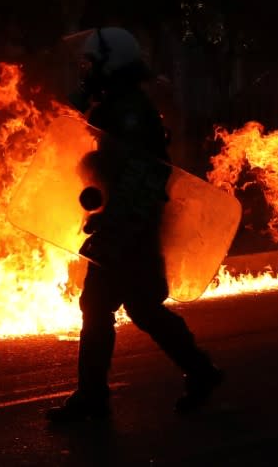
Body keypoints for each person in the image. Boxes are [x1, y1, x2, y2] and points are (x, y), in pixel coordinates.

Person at [47, 27, 223, 423]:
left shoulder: (127, 111)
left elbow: (140, 172)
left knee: (96, 306)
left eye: (92, 64)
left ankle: (93, 400)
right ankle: (201, 371)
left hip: (128, 225)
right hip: (129, 222)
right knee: (142, 307)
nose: (86, 71)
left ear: (112, 65)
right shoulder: (117, 104)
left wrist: (113, 221)